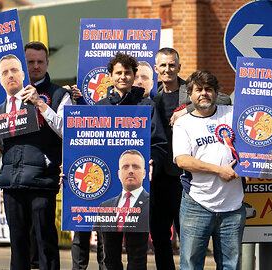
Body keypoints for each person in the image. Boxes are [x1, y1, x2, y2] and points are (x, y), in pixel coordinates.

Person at [0, 41, 71, 270]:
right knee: (18, 245)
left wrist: (40, 103)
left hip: (42, 180)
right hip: (11, 180)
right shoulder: (2, 106)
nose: (35, 66)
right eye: (30, 62)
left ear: (48, 63)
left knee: (45, 242)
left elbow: (69, 131)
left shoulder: (58, 95)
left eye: (40, 62)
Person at [151, 47, 232, 270]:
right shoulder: (151, 96)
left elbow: (223, 98)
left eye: (172, 65)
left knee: (189, 241)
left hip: (186, 177)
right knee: (159, 238)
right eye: (163, 65)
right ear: (156, 68)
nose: (167, 69)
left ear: (179, 67)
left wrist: (187, 108)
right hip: (158, 177)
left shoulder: (193, 90)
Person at [95, 52, 167, 270]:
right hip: (107, 191)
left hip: (140, 194)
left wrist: (153, 160)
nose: (123, 77)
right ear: (110, 75)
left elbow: (160, 143)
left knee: (137, 256)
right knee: (109, 255)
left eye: (128, 72)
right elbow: (87, 143)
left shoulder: (147, 106)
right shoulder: (99, 107)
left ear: (135, 75)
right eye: (118, 73)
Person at [173, 70, 245, 270]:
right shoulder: (183, 124)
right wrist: (219, 170)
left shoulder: (232, 115)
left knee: (231, 266)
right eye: (199, 90)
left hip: (232, 206)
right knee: (191, 265)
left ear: (216, 93)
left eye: (209, 89)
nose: (204, 93)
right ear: (190, 95)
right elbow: (183, 160)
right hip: (197, 203)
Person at [94, 150, 150, 232]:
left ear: (144, 173)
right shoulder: (104, 207)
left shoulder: (153, 205)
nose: (130, 171)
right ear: (119, 174)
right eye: (125, 167)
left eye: (135, 167)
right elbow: (97, 239)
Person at [0, 54, 38, 142]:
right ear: (0, 81)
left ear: (23, 75)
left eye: (14, 70)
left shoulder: (37, 104)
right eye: (5, 73)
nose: (10, 75)